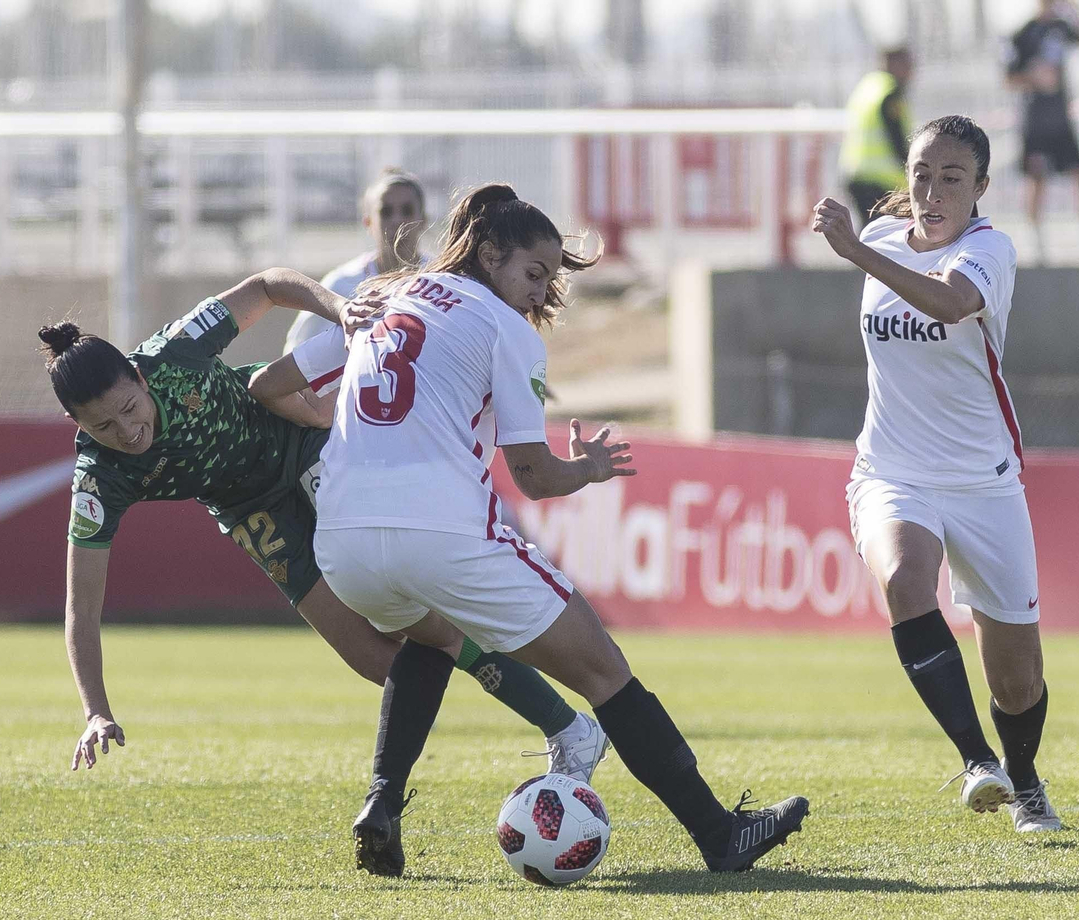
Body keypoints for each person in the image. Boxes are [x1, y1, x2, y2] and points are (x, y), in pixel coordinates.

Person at [250, 184, 810, 877]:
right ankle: (720, 835)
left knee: (434, 635)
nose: (540, 292)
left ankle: (382, 802)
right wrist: (590, 468)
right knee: (604, 669)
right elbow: (536, 476)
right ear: (488, 253)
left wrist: (345, 427)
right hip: (441, 532)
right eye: (533, 273)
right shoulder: (505, 330)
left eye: (549, 278)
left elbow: (266, 389)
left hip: (341, 542)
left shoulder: (385, 297)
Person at [41, 268, 608, 786]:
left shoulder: (175, 351)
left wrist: (338, 308)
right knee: (374, 659)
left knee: (431, 615)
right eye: (104, 426)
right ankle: (544, 727)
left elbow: (265, 286)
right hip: (249, 511)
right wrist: (95, 710)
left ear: (140, 377)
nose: (128, 432)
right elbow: (80, 609)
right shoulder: (98, 478)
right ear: (76, 424)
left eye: (130, 409)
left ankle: (564, 727)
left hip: (304, 442)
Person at [811, 115, 1062, 833]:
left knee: (1018, 680)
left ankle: (1024, 774)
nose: (932, 190)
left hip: (984, 482)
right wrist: (863, 245)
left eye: (952, 178)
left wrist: (856, 251)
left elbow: (950, 302)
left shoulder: (991, 250)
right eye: (921, 174)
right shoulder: (884, 238)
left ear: (981, 187)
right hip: (892, 471)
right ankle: (977, 761)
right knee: (903, 579)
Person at [281, 168, 427, 355]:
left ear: (424, 220)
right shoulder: (340, 285)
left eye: (407, 211)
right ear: (368, 223)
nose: (397, 220)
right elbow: (297, 352)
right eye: (386, 212)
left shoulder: (445, 279)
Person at [1005, 0, 1079, 263]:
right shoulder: (1023, 33)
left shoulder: (1062, 28)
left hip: (1061, 120)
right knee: (1037, 180)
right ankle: (1037, 246)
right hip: (1036, 122)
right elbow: (1008, 79)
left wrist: (1077, 11)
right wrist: (1034, 79)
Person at [839, 47, 916, 222]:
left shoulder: (868, 85)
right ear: (893, 64)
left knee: (868, 235)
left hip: (855, 172)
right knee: (884, 239)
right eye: (907, 65)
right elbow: (896, 139)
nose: (911, 72)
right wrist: (913, 169)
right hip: (881, 180)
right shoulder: (890, 92)